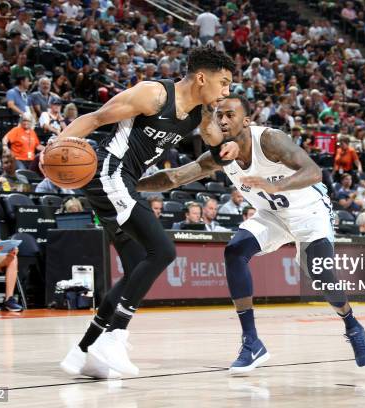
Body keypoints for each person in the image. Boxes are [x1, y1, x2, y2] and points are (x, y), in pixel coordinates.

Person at [137, 94, 365, 374]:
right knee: (235, 251)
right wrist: (132, 185)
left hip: (309, 212)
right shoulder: (220, 156)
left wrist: (278, 185)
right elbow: (174, 177)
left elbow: (313, 172)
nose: (223, 120)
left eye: (230, 115)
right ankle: (252, 342)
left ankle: (352, 325)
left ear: (247, 121)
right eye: (219, 116)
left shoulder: (270, 140)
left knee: (322, 277)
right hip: (271, 215)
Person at [55, 47, 238, 379]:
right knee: (164, 251)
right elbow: (96, 118)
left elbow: (218, 146)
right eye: (223, 82)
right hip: (109, 174)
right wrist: (55, 145)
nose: (227, 91)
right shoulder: (153, 95)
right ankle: (116, 336)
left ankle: (83, 351)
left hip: (125, 183)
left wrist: (229, 147)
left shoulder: (199, 115)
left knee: (136, 268)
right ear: (201, 78)